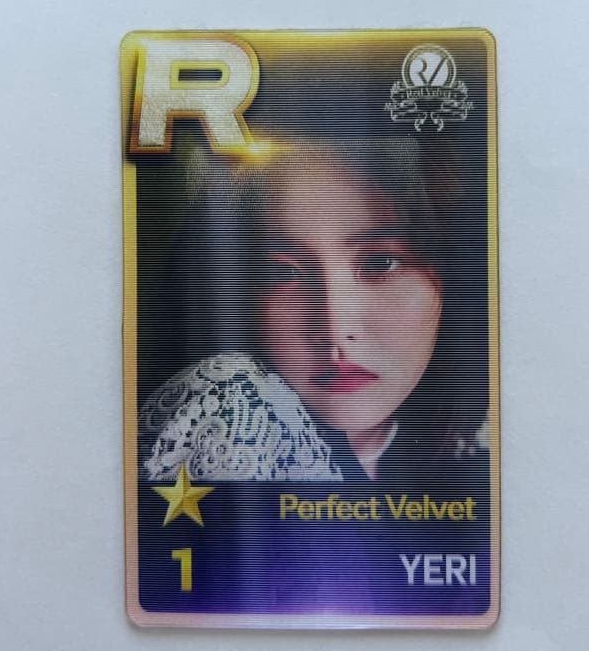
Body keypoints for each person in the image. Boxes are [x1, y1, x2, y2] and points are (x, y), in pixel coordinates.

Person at [137, 135, 489, 484]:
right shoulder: (227, 421)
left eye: (380, 262)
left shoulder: (476, 440)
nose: (335, 328)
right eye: (280, 272)